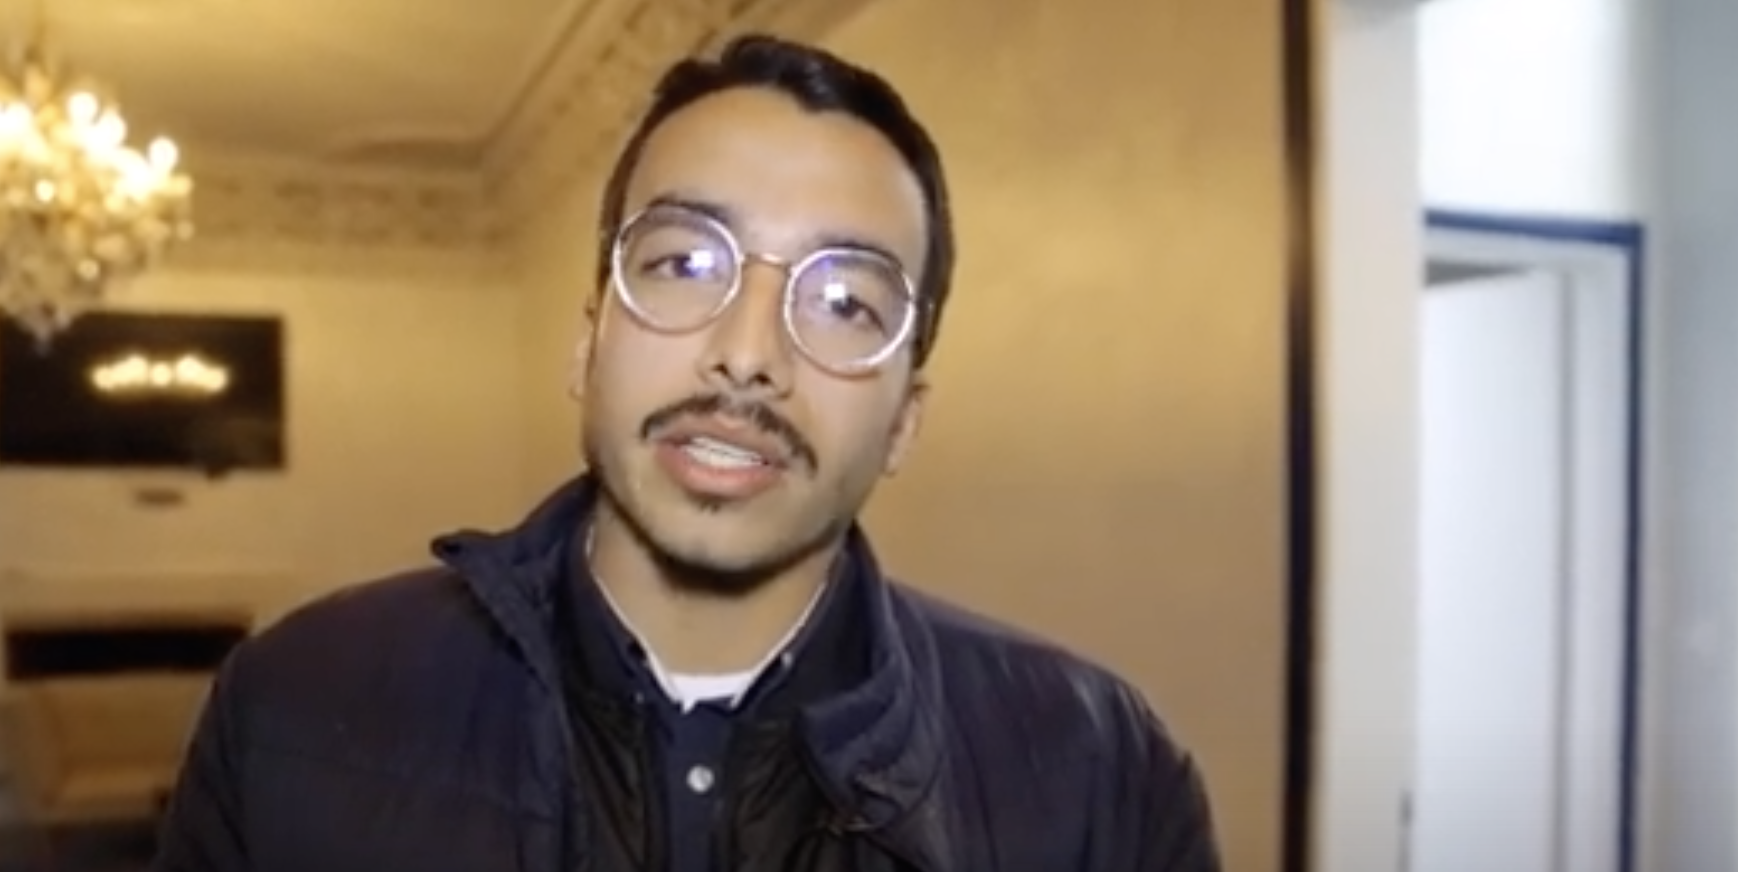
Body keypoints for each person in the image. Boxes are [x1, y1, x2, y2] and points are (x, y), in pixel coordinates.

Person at [151, 33, 1221, 872]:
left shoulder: (1104, 777)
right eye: (684, 263)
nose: (747, 355)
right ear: (588, 344)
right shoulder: (292, 708)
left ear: (905, 418)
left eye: (845, 302)